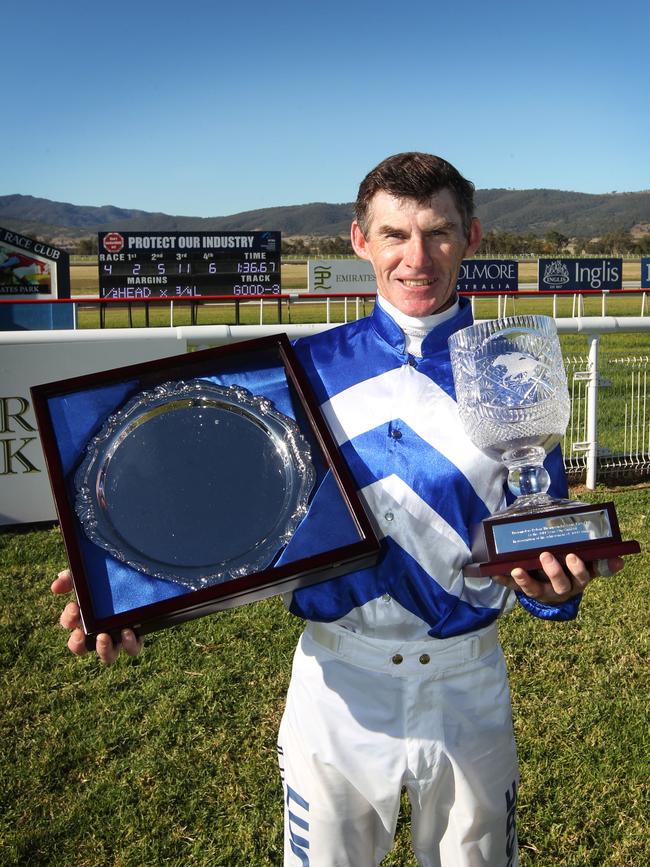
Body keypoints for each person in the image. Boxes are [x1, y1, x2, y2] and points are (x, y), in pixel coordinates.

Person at [54, 152, 624, 867]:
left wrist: (553, 590)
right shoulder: (299, 371)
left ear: (471, 237)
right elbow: (208, 509)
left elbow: (536, 519)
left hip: (467, 684)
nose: (417, 258)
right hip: (336, 687)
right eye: (394, 234)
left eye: (439, 233)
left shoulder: (508, 371)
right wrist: (115, 583)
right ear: (360, 240)